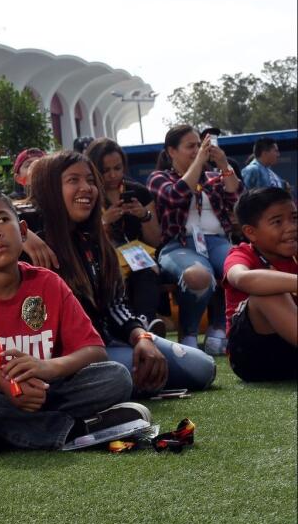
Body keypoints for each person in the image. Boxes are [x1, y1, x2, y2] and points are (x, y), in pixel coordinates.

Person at [0, 187, 143, 456]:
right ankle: (68, 430)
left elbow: (95, 351)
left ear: (22, 231)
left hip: (44, 393)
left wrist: (47, 368)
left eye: (1, 220)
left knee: (116, 377)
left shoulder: (48, 282)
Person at [27, 152, 215, 394]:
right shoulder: (31, 244)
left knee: (203, 368)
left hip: (108, 342)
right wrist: (21, 233)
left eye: (91, 181)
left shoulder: (95, 241)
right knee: (123, 377)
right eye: (73, 180)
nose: (86, 188)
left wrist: (140, 337)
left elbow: (115, 304)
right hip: (67, 357)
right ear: (49, 187)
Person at [148, 124, 241, 353]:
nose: (198, 150)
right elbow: (176, 195)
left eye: (199, 145)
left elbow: (236, 197)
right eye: (191, 146)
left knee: (239, 268)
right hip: (178, 245)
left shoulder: (212, 176)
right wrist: (199, 161)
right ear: (171, 151)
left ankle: (220, 328)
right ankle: (188, 335)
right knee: (198, 275)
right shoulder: (158, 178)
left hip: (218, 241)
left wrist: (222, 164)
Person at [85, 138, 164, 331]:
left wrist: (144, 215)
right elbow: (81, 237)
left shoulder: (138, 192)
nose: (113, 175)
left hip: (135, 254)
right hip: (101, 256)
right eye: (105, 170)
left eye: (117, 168)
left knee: (147, 270)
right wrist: (105, 221)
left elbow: (155, 240)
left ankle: (145, 322)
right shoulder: (87, 195)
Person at [223, 187, 298, 381]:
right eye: (277, 222)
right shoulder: (241, 254)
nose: (291, 227)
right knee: (267, 289)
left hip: (291, 353)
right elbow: (242, 279)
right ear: (251, 232)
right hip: (253, 358)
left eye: (294, 218)